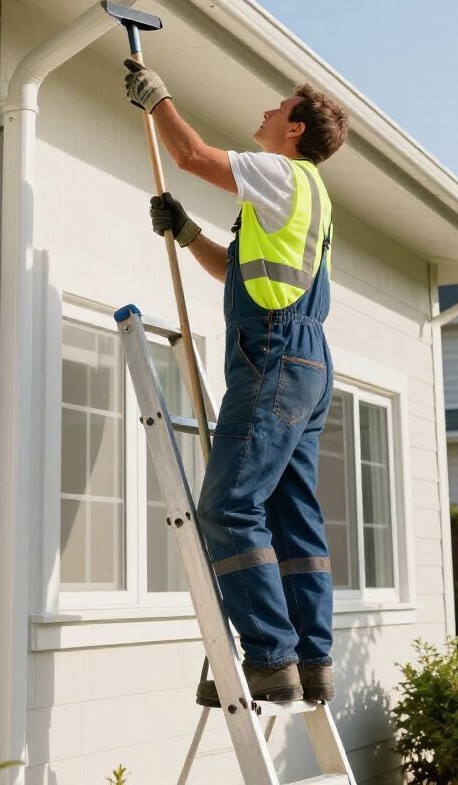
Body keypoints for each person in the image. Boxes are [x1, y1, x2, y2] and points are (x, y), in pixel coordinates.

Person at [123, 59, 349, 706]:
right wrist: (188, 231)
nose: (264, 116)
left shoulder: (281, 173)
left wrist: (156, 95)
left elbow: (191, 155)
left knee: (227, 506)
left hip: (272, 354)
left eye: (275, 110)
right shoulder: (304, 196)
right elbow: (235, 270)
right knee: (290, 514)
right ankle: (311, 660)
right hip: (305, 360)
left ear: (295, 128)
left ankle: (269, 657)